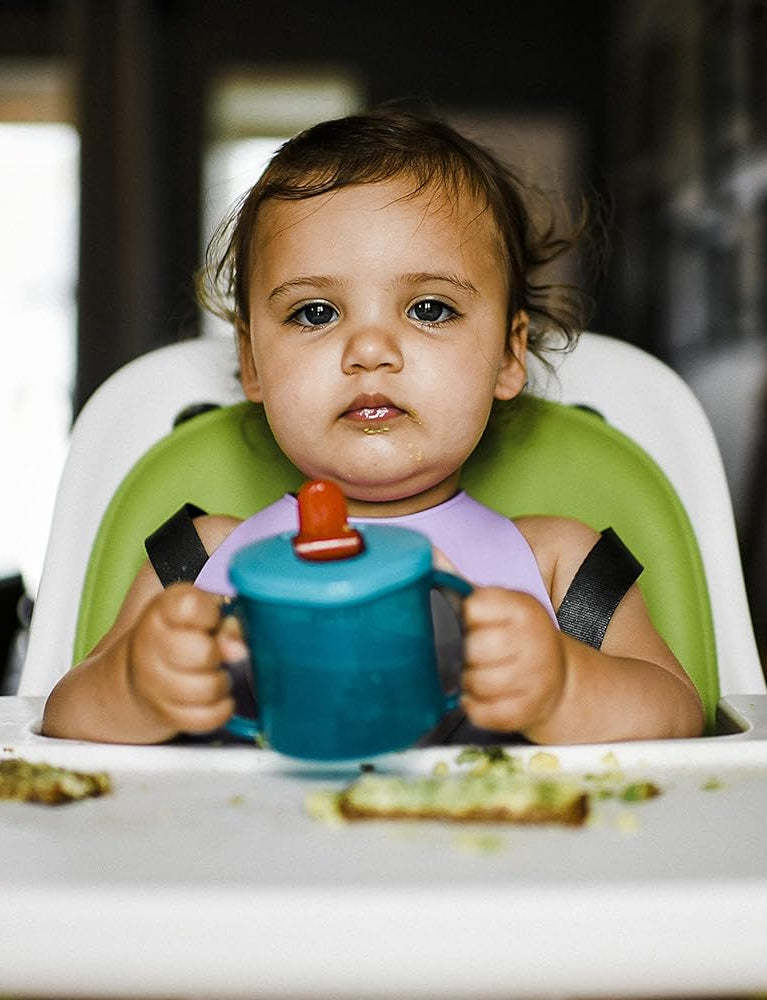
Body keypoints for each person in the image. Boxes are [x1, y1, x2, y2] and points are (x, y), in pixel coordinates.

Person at [42, 107, 705, 745]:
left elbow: (679, 713)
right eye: (314, 313)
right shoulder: (205, 560)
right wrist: (135, 688)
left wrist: (565, 688)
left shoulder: (555, 562)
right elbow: (66, 714)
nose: (369, 349)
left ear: (509, 355)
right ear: (251, 362)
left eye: (428, 307)